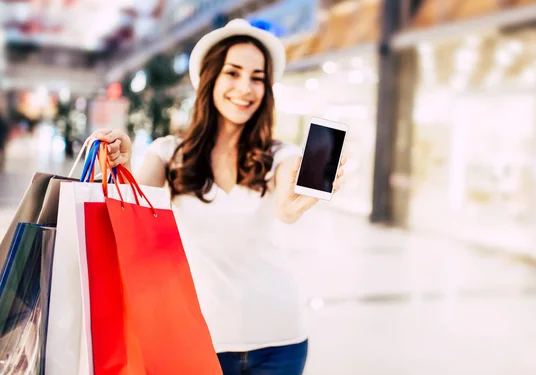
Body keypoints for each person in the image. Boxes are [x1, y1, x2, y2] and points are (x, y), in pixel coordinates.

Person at [92, 19, 346, 375]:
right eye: (233, 72)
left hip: (280, 340)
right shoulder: (168, 153)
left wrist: (294, 205)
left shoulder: (280, 154)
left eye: (257, 77)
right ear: (211, 78)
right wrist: (124, 161)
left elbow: (285, 209)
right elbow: (135, 211)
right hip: (195, 339)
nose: (245, 87)